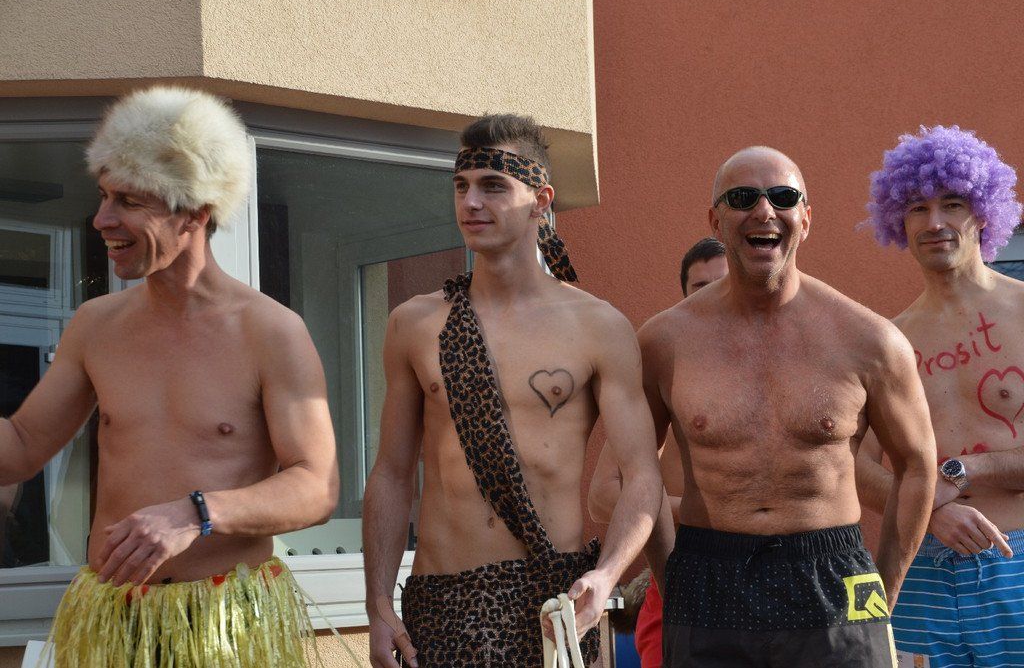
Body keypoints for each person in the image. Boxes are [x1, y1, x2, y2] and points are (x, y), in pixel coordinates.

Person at [0, 86, 339, 667]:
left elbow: (316, 487)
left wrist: (197, 513)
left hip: (223, 625)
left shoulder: (271, 331)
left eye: (129, 201)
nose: (102, 219)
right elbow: (22, 445)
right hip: (114, 619)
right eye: (104, 195)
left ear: (195, 213)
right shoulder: (95, 325)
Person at [363, 114, 663, 668]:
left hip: (553, 606)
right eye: (461, 186)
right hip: (439, 606)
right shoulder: (415, 324)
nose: (471, 202)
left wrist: (606, 575)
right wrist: (378, 601)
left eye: (493, 186)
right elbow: (391, 472)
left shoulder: (598, 327)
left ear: (540, 200)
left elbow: (642, 475)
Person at [641, 146, 936, 667]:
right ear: (715, 220)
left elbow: (917, 464)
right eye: (742, 198)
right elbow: (633, 470)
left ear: (806, 217)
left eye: (782, 197)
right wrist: (674, 578)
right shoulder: (665, 341)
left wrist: (882, 594)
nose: (764, 211)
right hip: (708, 574)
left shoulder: (869, 340)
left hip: (832, 576)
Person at [857, 125, 1024, 668]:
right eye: (917, 208)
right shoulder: (887, 341)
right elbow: (851, 462)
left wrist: (963, 471)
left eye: (952, 204)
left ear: (983, 213)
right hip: (921, 569)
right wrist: (929, 513)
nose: (934, 223)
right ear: (898, 223)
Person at [588, 235, 728, 668]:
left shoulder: (783, 370)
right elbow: (604, 495)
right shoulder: (667, 374)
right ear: (683, 299)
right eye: (700, 289)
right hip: (682, 584)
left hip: (774, 589)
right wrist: (699, 511)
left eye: (725, 284)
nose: (715, 299)